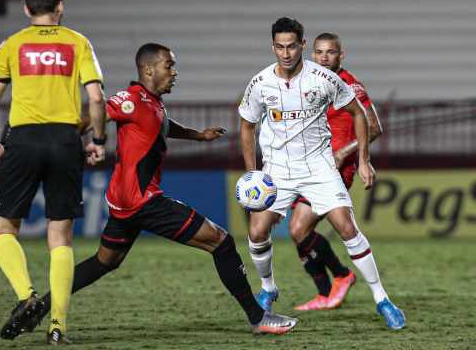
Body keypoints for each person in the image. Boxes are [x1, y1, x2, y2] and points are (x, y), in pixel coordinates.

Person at [18, 43, 299, 339]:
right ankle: (258, 317)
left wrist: (197, 136)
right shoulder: (130, 99)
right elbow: (91, 116)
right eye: (169, 65)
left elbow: (161, 124)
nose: (174, 72)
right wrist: (73, 145)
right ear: (149, 69)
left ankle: (40, 307)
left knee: (104, 261)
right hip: (143, 202)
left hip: (122, 203)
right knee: (221, 242)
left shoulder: (152, 103)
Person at [239, 17, 404, 329]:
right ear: (273, 47)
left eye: (291, 46)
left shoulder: (325, 79)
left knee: (347, 227)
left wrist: (364, 159)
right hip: (278, 169)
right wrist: (253, 174)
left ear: (302, 45)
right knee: (257, 231)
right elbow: (247, 126)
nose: (286, 53)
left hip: (319, 167)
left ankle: (382, 299)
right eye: (279, 47)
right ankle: (268, 288)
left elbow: (359, 114)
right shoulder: (259, 83)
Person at [0, 0, 107, 345]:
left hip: (23, 140)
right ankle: (58, 326)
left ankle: (26, 296)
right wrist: (97, 139)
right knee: (61, 236)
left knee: (4, 228)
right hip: (66, 140)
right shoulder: (78, 43)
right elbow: (96, 99)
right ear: (60, 6)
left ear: (26, 8)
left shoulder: (11, 45)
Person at [290, 32, 384, 311]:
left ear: (341, 55)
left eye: (330, 52)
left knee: (302, 229)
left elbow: (374, 127)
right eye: (319, 52)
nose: (324, 57)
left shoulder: (350, 85)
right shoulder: (310, 81)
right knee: (298, 231)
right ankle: (333, 284)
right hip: (310, 166)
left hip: (336, 170)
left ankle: (341, 278)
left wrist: (347, 153)